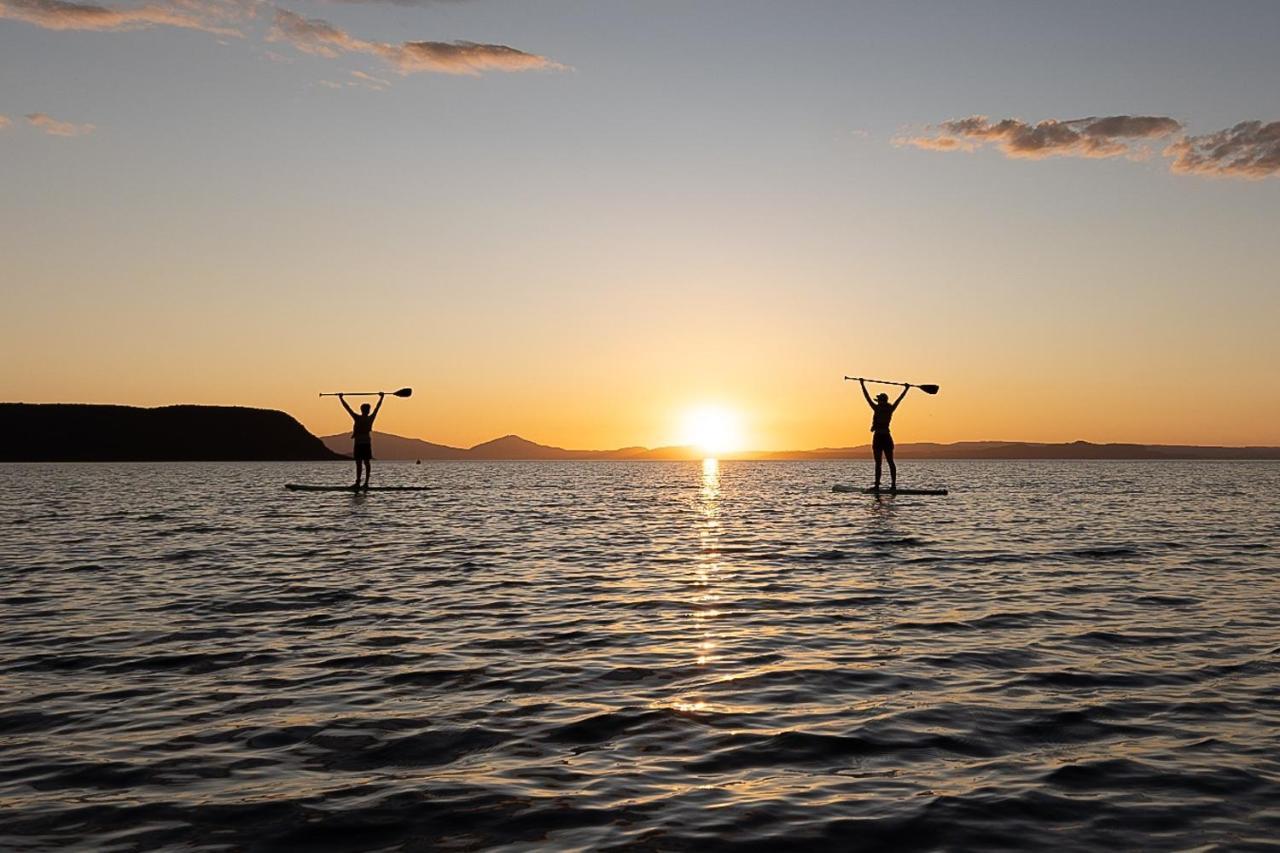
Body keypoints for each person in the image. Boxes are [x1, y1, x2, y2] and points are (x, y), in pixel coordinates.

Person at [859, 379, 909, 490]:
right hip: (885, 437)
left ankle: (885, 485)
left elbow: (866, 397)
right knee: (885, 462)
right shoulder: (890, 408)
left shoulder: (877, 408)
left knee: (882, 462)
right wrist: (906, 389)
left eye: (879, 400)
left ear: (881, 401)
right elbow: (900, 399)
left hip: (880, 438)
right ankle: (890, 485)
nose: (877, 402)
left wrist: (862, 384)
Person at [338, 392, 384, 489]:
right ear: (367, 410)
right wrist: (381, 398)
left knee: (362, 463)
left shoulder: (359, 418)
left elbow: (347, 408)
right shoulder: (366, 418)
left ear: (362, 410)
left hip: (361, 444)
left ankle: (362, 483)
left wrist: (341, 398)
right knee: (363, 463)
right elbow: (377, 408)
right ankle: (362, 483)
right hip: (363, 443)